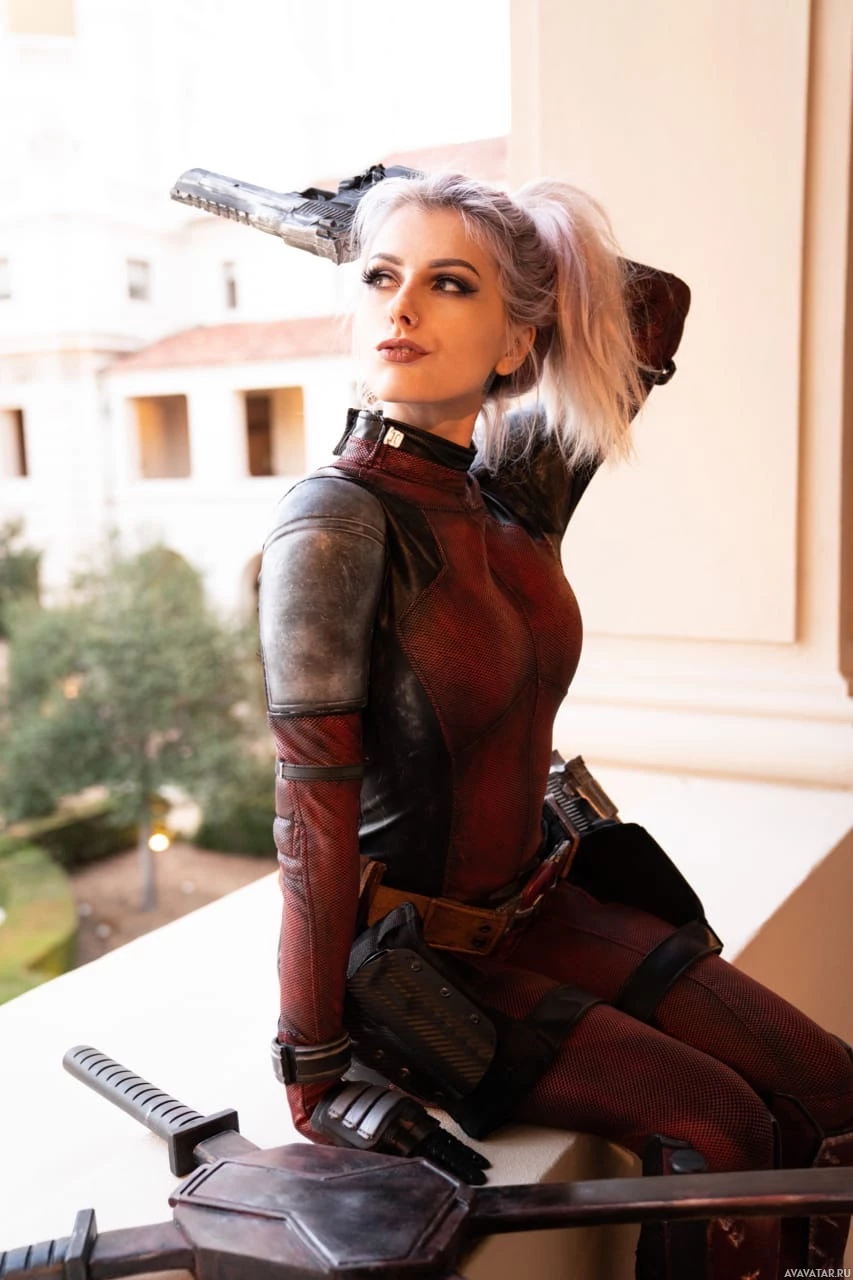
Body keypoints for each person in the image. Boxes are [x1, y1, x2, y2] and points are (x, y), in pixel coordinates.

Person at [258, 170, 853, 1279]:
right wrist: (313, 1065)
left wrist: (377, 215)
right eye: (378, 277)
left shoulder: (508, 495)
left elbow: (649, 303)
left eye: (448, 285)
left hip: (544, 903)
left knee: (830, 1087)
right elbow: (307, 820)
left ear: (517, 338)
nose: (400, 307)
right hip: (419, 964)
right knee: (720, 1125)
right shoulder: (333, 522)